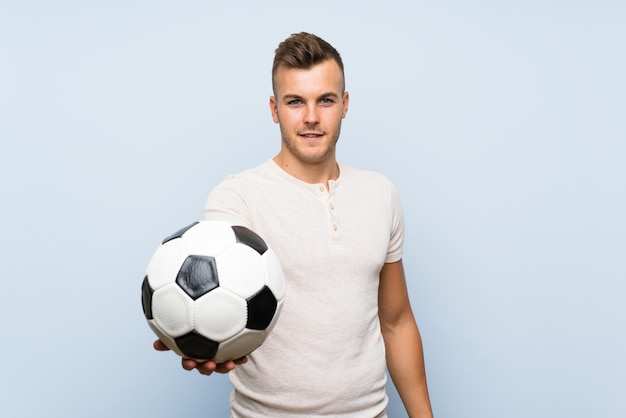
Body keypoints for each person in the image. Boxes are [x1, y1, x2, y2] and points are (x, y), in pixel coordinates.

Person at [154, 32, 433, 418]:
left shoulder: (381, 194)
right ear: (274, 109)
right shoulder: (237, 198)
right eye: (295, 102)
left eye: (326, 100)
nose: (312, 117)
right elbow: (215, 294)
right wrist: (202, 340)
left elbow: (397, 321)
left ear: (345, 104)